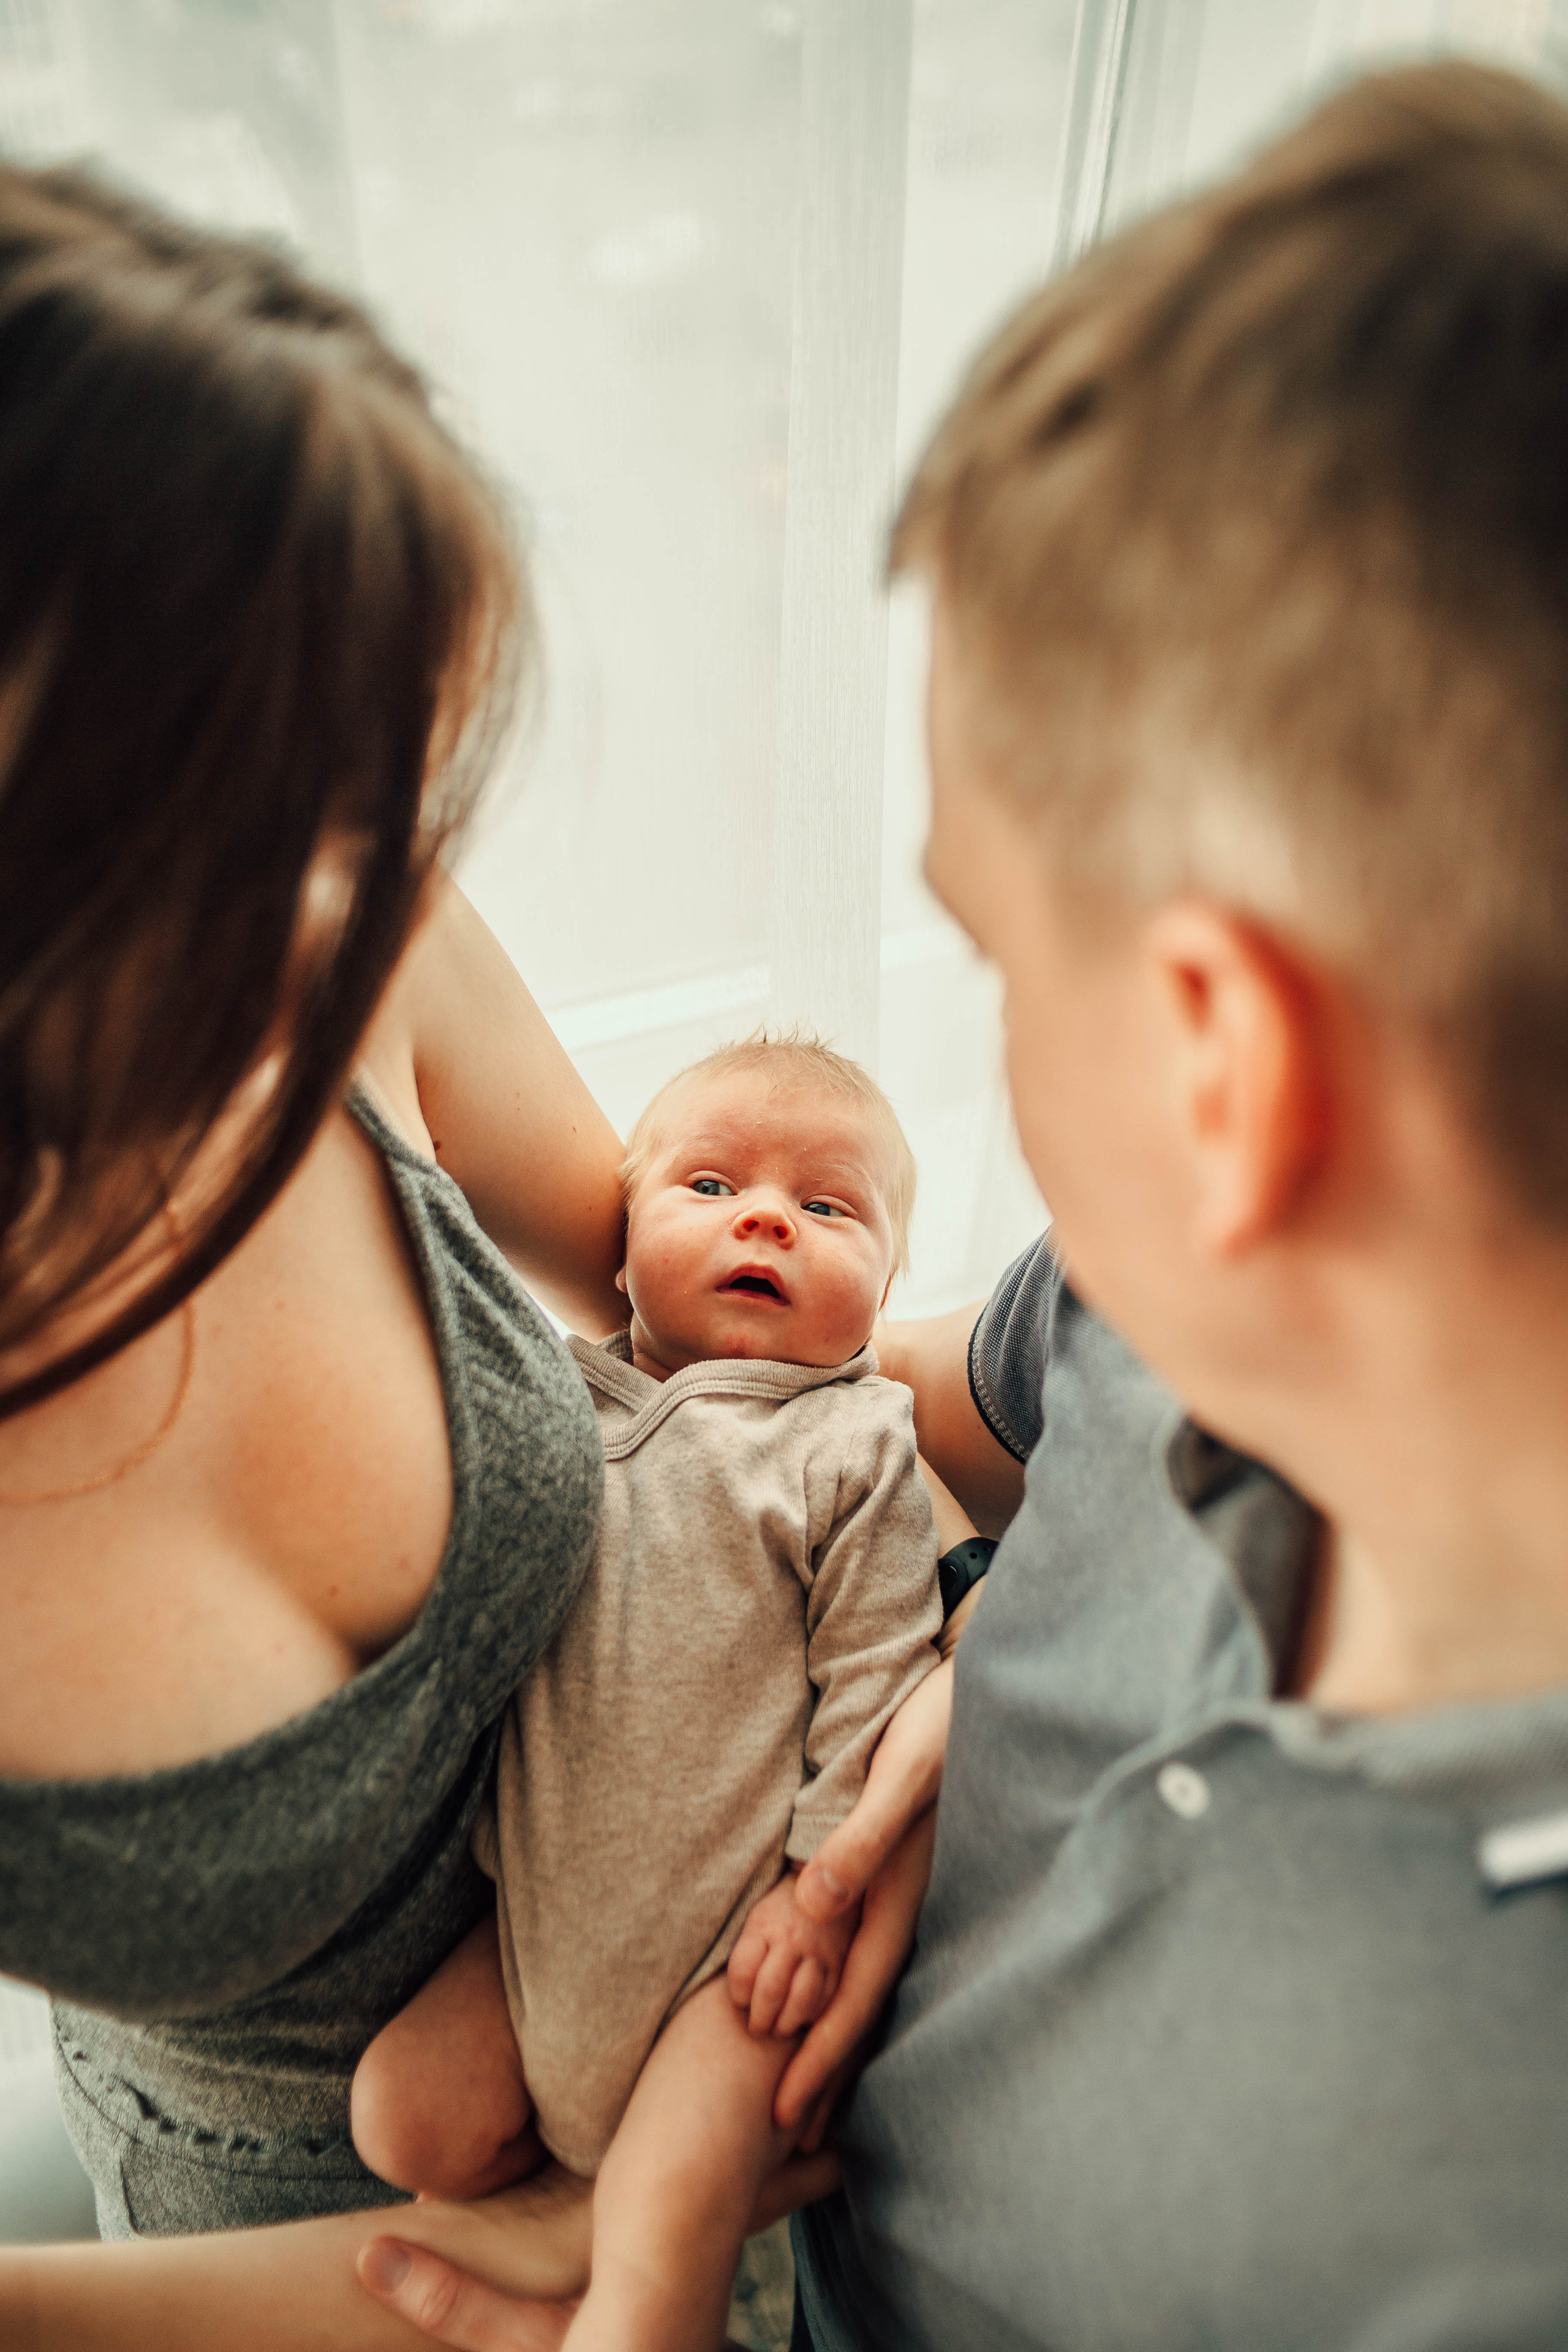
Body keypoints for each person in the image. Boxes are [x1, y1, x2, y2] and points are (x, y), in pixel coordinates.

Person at [356, 58, 1568, 2352]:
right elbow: (798, 1391)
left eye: (1000, 958)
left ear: (1225, 1069)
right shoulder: (1125, 1319)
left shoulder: (1455, 2232)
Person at [0, 155, 947, 2348]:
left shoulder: (343, 931)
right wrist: (522, 2273)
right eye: (265, 798)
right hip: (275, 2251)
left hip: (722, 2027)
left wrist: (1117, 1389)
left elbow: (728, 1344)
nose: (356, 876)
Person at [352, 1035, 956, 2351]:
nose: (765, 1217)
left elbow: (880, 1677)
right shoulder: (555, 1404)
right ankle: (550, 2242)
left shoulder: (849, 1442)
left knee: (666, 2215)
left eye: (827, 1207)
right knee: (404, 2118)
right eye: (710, 1186)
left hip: (738, 1953)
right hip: (540, 1922)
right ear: (618, 1253)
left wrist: (815, 1895)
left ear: (885, 1289)